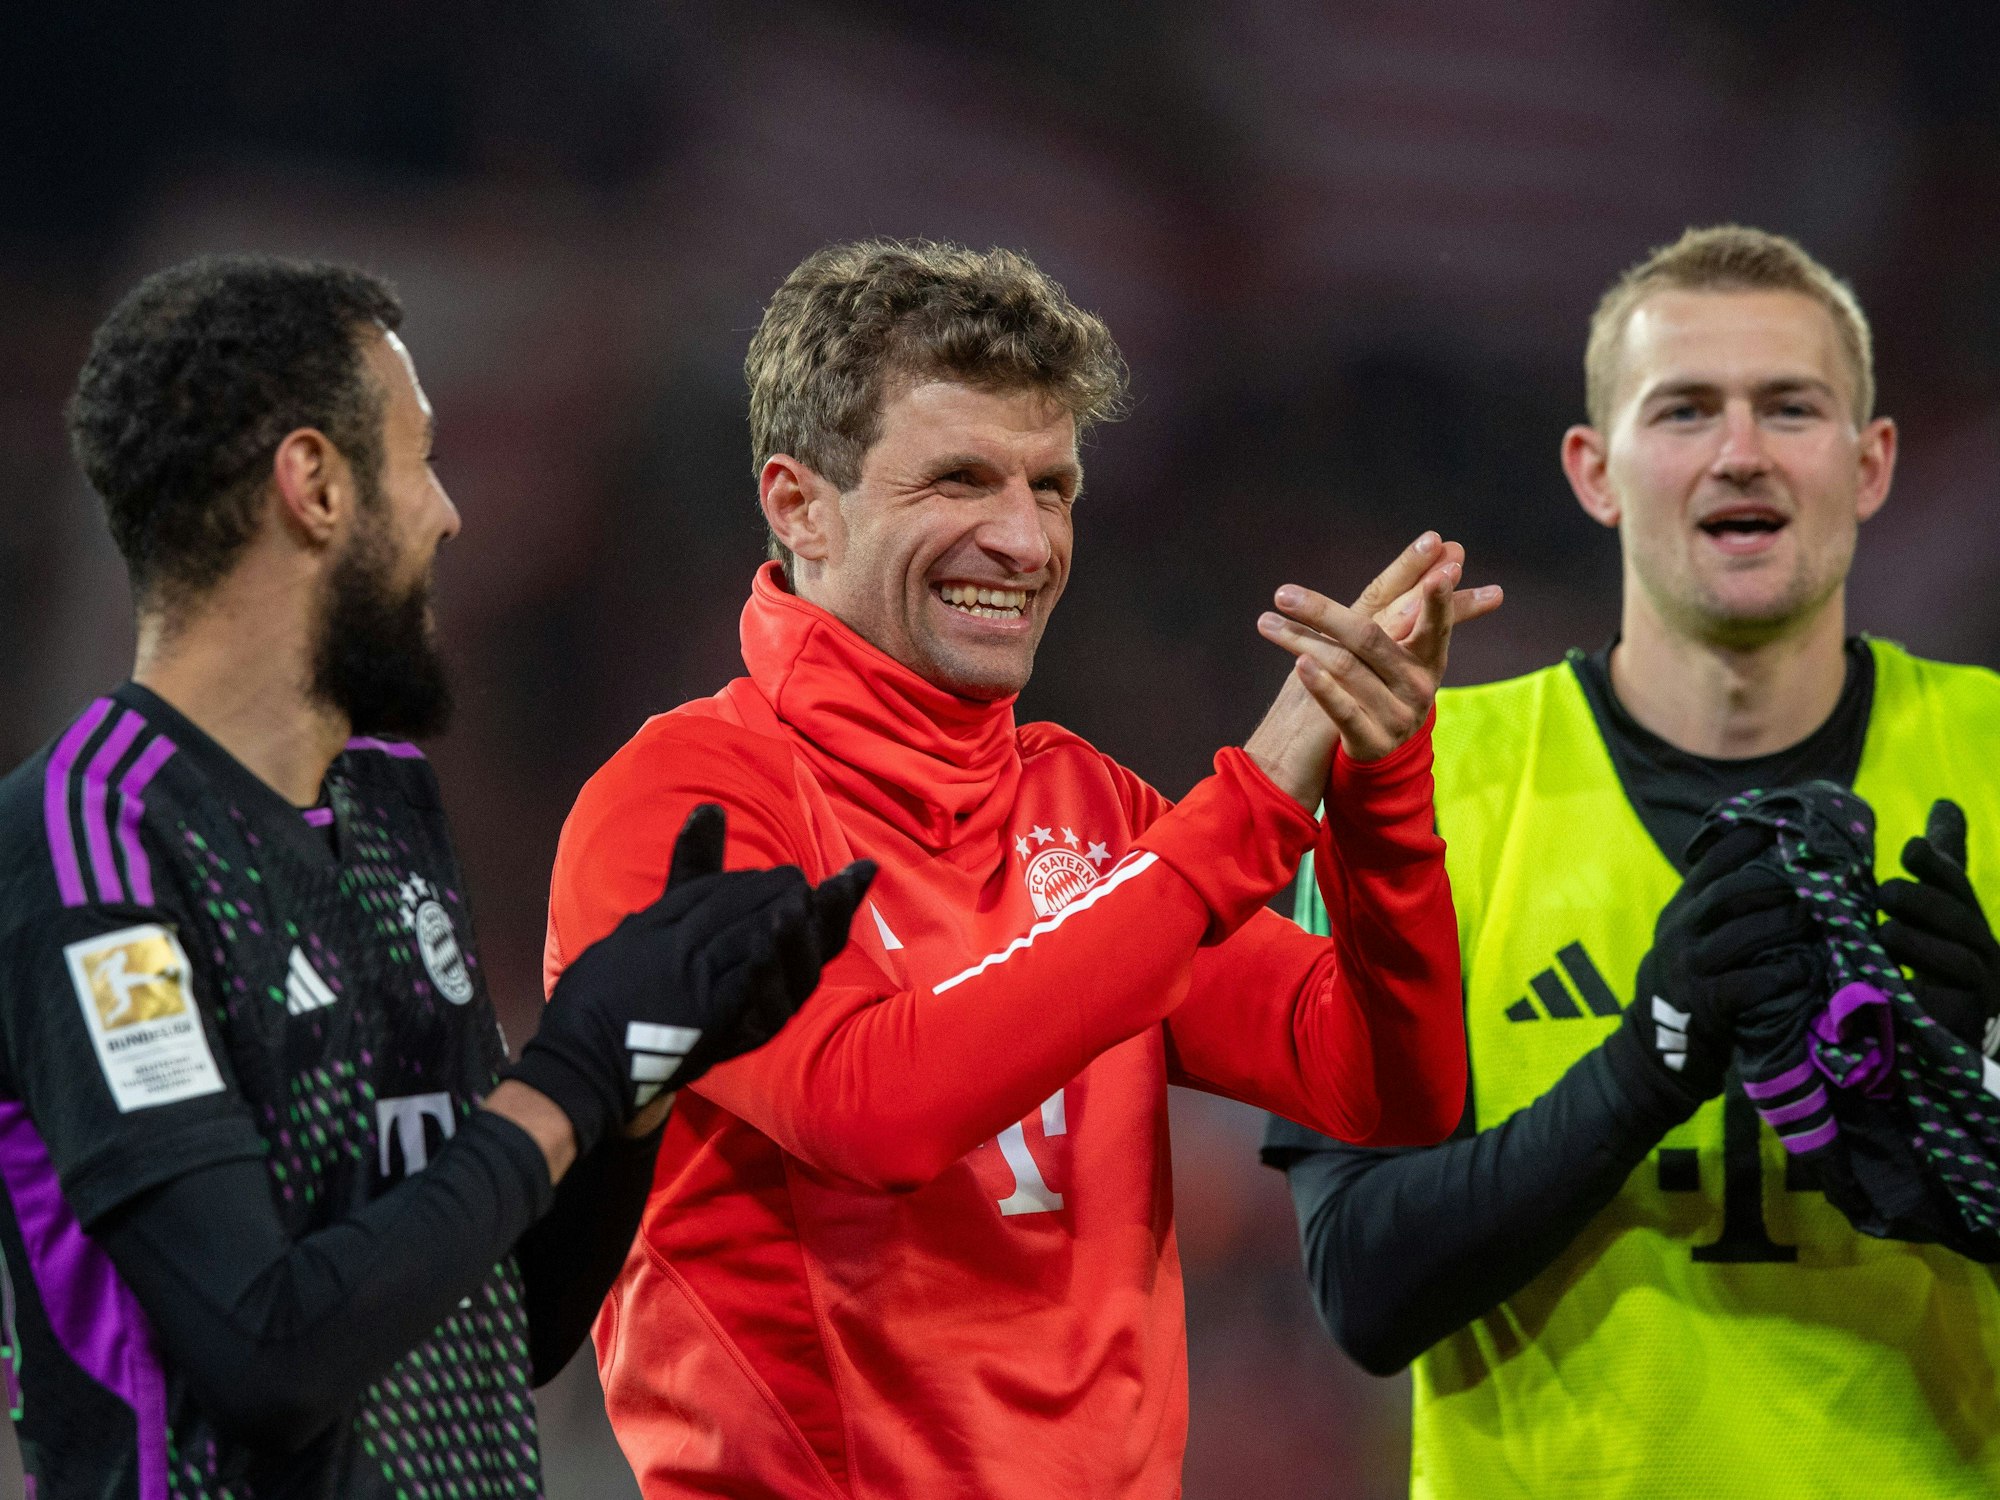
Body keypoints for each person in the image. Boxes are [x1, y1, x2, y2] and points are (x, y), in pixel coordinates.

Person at [544, 238, 1501, 1498]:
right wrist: (1258, 799)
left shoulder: (1083, 806)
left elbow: (1382, 1085)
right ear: (797, 506)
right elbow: (869, 1111)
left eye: (1051, 488)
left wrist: (1375, 782)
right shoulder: (687, 804)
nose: (1022, 539)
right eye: (959, 479)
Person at [0, 255, 870, 1499]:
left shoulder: (385, 800)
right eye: (419, 459)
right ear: (312, 485)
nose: (448, 512)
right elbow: (267, 1352)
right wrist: (571, 1069)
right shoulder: (94, 847)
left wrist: (638, 1082)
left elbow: (494, 1321)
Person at [1265, 225, 2000, 1498]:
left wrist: (1982, 1084)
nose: (1737, 452)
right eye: (1683, 410)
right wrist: (1645, 1063)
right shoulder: (1410, 791)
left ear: (1871, 462)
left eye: (1789, 406)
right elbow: (1361, 1289)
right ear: (1593, 470)